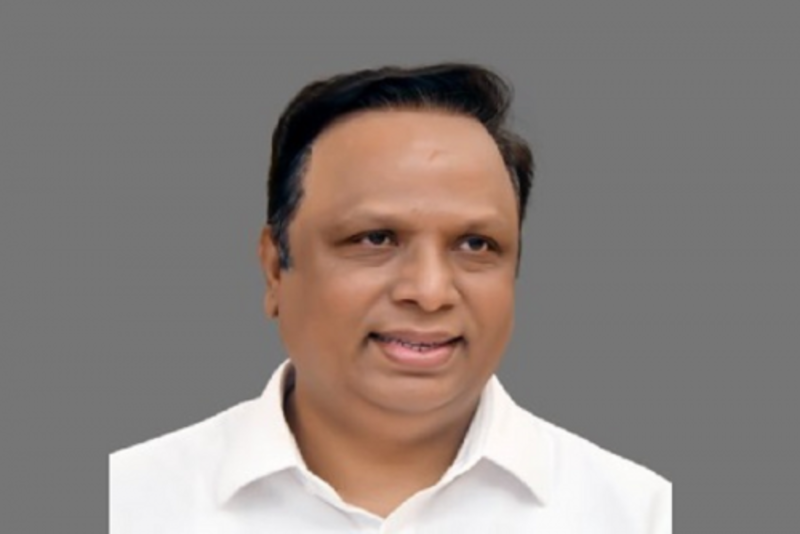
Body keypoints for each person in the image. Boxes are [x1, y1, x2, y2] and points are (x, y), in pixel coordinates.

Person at [109, 62, 672, 532]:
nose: (429, 292)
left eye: (476, 245)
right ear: (276, 267)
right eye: (375, 239)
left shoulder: (639, 513)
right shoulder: (127, 503)